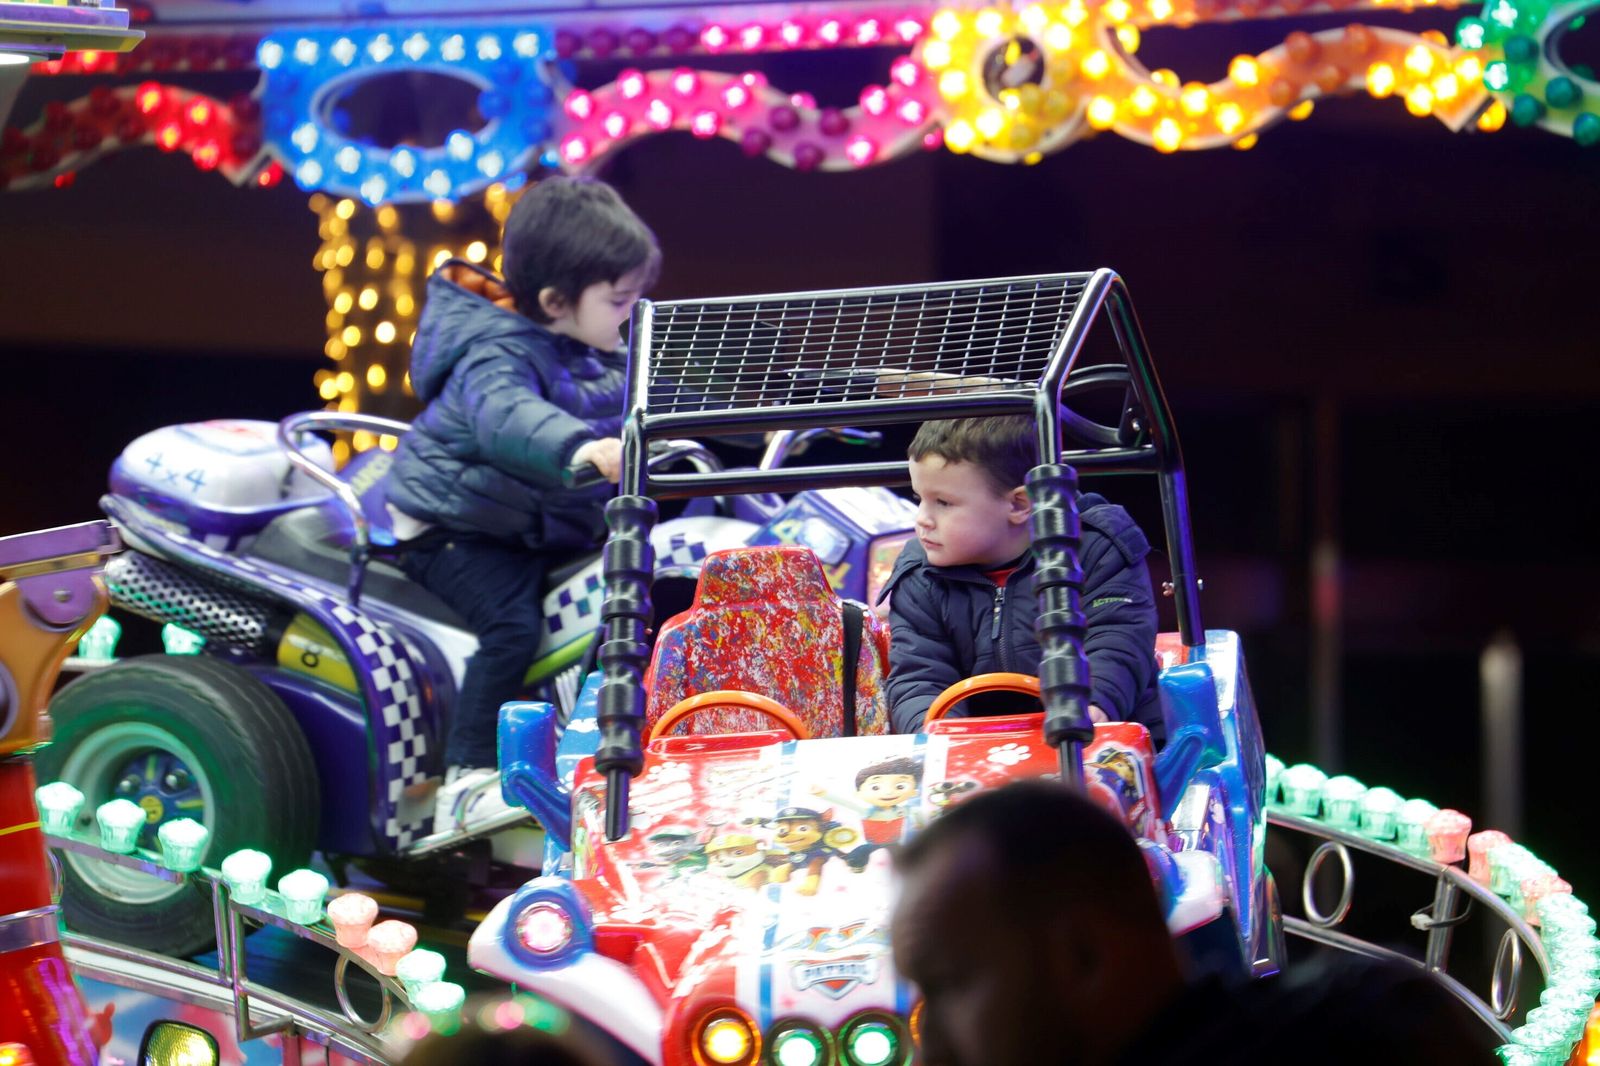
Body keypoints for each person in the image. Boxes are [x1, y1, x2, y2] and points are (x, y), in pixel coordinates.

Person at [382, 176, 660, 832]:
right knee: (511, 626)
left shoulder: (596, 347)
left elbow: (669, 389)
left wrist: (782, 407)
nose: (634, 313)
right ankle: (468, 778)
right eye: (621, 299)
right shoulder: (496, 351)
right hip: (456, 525)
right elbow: (507, 418)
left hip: (527, 518)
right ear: (556, 301)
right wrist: (583, 448)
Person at [889, 780, 1499, 1066]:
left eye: (950, 984)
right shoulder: (1381, 1014)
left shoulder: (1372, 1037)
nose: (928, 1050)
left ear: (1084, 956)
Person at [879, 415, 1164, 739]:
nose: (922, 520)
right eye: (920, 499)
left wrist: (1094, 704)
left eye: (943, 503)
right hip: (977, 752)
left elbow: (1117, 639)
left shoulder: (1096, 549)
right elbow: (919, 675)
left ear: (1019, 504)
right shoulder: (920, 575)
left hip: (1099, 737)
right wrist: (936, 735)